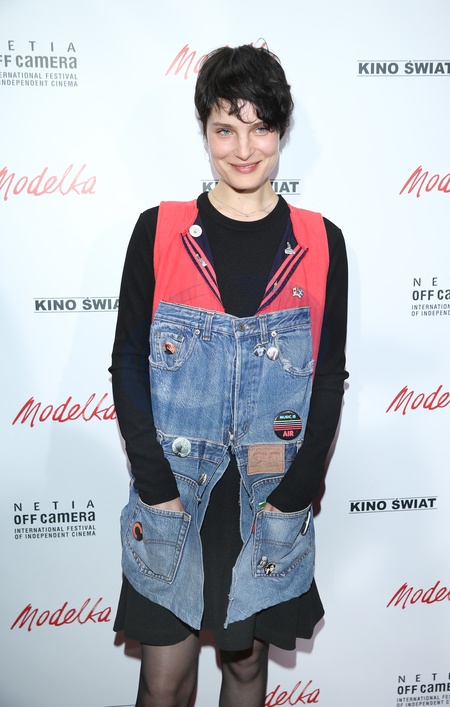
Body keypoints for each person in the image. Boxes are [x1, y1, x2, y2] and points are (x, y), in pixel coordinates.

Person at [111, 44, 348, 707]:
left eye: (260, 127)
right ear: (205, 131)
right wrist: (156, 486)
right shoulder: (158, 232)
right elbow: (128, 362)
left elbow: (328, 378)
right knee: (164, 682)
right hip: (173, 492)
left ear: (281, 131)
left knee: (246, 669)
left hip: (269, 496)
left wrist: (294, 494)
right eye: (225, 128)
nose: (244, 149)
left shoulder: (322, 242)